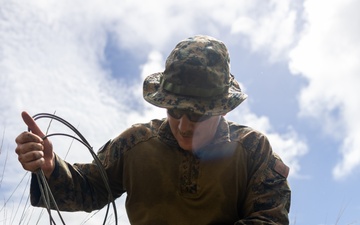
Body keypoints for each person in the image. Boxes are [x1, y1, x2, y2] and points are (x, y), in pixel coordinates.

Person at [15, 35, 291, 224]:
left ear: (223, 110)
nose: (183, 126)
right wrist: (51, 168)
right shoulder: (135, 144)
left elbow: (269, 220)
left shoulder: (254, 151)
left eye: (196, 115)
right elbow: (90, 188)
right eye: (174, 110)